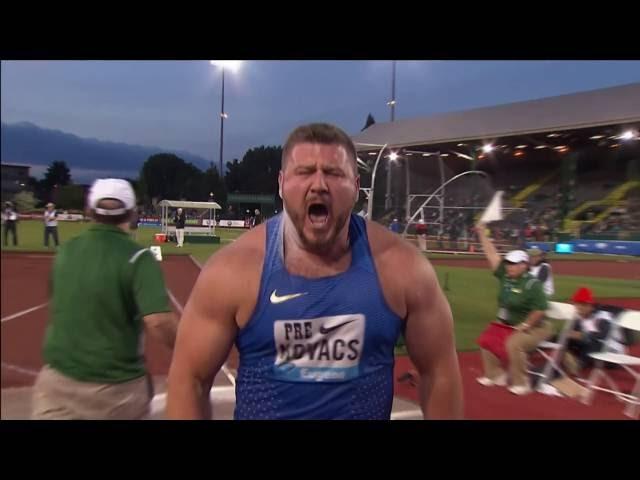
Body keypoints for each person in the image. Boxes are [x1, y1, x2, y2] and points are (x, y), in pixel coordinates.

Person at [167, 123, 463, 420]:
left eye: (334, 173)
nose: (319, 184)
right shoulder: (233, 271)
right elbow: (188, 379)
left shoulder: (403, 268)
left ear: (356, 187)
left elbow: (440, 373)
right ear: (282, 184)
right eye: (305, 172)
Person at [32, 178, 179, 420]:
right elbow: (159, 321)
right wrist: (188, 348)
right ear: (132, 213)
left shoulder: (66, 250)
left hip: (56, 384)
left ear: (90, 211)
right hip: (116, 390)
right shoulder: (138, 258)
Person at [475, 222, 550, 395]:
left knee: (514, 343)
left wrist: (525, 325)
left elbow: (540, 309)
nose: (509, 266)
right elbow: (492, 255)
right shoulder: (506, 277)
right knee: (487, 339)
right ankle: (495, 374)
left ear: (524, 265)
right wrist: (482, 234)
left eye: (514, 263)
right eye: (508, 263)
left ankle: (522, 383)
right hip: (508, 323)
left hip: (536, 327)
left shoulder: (532, 284)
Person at [562, 287, 626, 376]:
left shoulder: (602, 316)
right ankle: (566, 359)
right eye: (577, 304)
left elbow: (603, 335)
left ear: (590, 305)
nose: (578, 308)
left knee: (592, 342)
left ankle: (577, 364)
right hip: (594, 352)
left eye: (582, 305)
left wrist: (583, 335)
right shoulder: (579, 316)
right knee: (566, 338)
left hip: (612, 352)